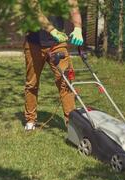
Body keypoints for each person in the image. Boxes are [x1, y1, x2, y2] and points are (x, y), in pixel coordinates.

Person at [24, 0, 83, 131]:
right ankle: (30, 120)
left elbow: (74, 8)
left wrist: (78, 28)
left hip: (57, 43)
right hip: (34, 43)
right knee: (32, 83)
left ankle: (71, 124)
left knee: (65, 82)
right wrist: (52, 31)